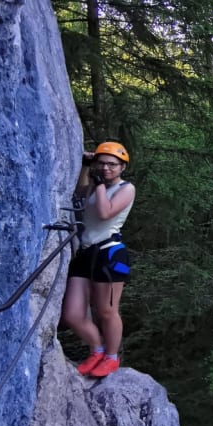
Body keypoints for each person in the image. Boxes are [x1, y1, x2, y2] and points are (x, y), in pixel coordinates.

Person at [61, 141, 136, 377]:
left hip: (109, 253)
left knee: (106, 311)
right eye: (102, 163)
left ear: (122, 167)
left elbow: (105, 213)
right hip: (86, 252)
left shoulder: (126, 189)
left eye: (113, 165)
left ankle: (111, 357)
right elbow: (80, 194)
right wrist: (85, 166)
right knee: (72, 314)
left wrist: (100, 184)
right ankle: (96, 349)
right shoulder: (96, 186)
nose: (106, 168)